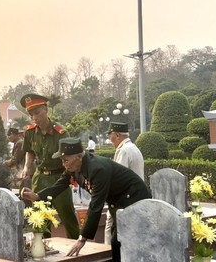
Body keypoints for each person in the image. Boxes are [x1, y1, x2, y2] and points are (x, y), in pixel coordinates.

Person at [21, 138, 151, 262]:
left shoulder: (97, 169)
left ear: (78, 156)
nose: (63, 164)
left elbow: (96, 204)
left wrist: (82, 238)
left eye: (66, 160)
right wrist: (37, 196)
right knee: (117, 242)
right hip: (117, 201)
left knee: (124, 240)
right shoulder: (74, 168)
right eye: (62, 160)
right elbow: (58, 186)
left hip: (134, 198)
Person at [19, 93, 79, 239]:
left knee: (68, 218)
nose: (34, 117)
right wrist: (27, 166)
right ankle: (42, 249)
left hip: (59, 179)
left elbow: (70, 158)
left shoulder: (61, 133)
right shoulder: (30, 132)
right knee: (39, 220)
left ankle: (78, 251)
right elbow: (30, 152)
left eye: (37, 112)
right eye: (31, 114)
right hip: (40, 179)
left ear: (46, 109)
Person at [104, 122, 145, 244]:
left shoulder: (124, 151)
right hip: (136, 196)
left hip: (124, 199)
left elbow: (118, 177)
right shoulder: (133, 148)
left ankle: (107, 254)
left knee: (110, 228)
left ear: (117, 135)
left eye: (110, 135)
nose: (109, 139)